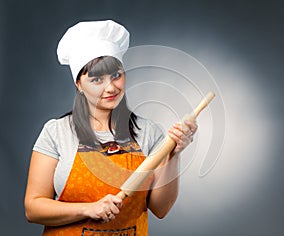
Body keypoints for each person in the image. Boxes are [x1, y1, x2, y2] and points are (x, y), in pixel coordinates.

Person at [24, 20, 197, 236]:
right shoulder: (56, 133)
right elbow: (33, 209)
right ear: (79, 84)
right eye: (97, 79)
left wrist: (173, 155)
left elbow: (161, 209)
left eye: (116, 75)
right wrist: (88, 208)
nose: (111, 87)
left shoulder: (149, 132)